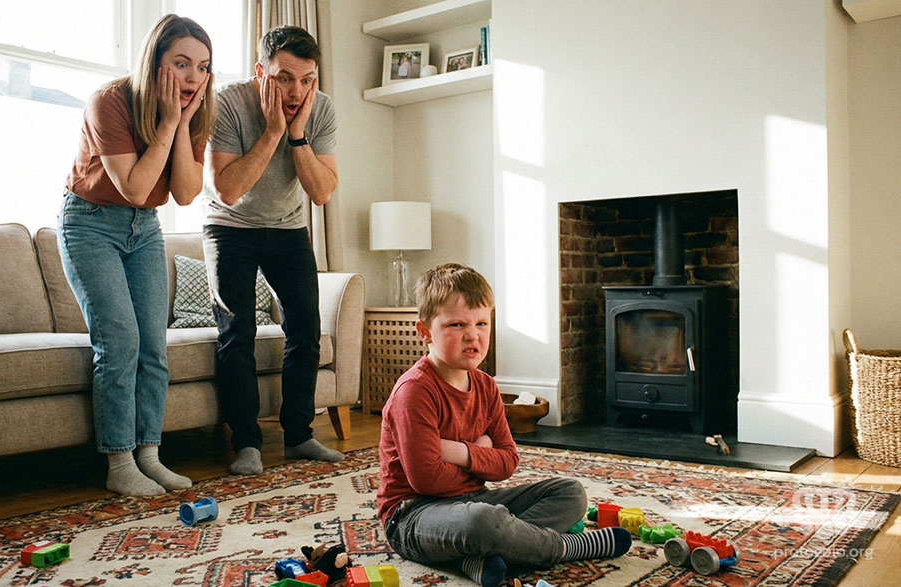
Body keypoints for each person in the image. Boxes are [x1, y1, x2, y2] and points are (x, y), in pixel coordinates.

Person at [376, 263, 632, 587]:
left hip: (474, 501)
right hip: (414, 517)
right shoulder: (414, 391)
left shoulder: (486, 386)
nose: (473, 335)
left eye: (482, 323)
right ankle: (564, 548)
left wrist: (458, 453)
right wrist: (482, 457)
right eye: (456, 324)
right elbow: (427, 479)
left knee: (571, 493)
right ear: (425, 331)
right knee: (485, 522)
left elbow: (508, 462)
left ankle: (479, 558)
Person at [58, 14, 214, 496]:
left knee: (154, 345)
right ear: (155, 61)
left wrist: (185, 123)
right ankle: (120, 463)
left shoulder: (198, 112)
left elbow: (185, 194)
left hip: (143, 227)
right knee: (120, 342)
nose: (193, 78)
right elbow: (136, 184)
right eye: (181, 64)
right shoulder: (110, 101)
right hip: (89, 223)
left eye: (203, 67)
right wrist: (170, 122)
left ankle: (150, 454)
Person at [202, 25, 342, 475]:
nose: (296, 90)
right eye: (284, 78)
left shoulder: (320, 110)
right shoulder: (226, 103)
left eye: (306, 79)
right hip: (230, 227)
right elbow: (228, 189)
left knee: (306, 327)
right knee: (235, 331)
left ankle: (299, 436)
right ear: (260, 72)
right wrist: (273, 130)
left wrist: (297, 135)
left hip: (287, 226)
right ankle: (247, 444)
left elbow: (321, 192)